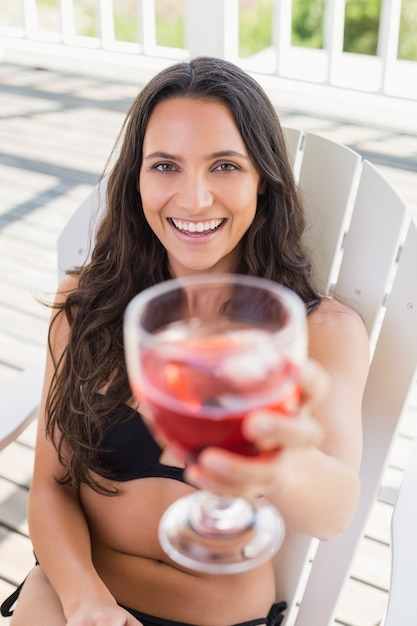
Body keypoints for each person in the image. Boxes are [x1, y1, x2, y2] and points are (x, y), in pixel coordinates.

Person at [3, 56, 369, 626]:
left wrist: (284, 463)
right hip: (81, 593)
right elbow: (50, 486)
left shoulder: (317, 331)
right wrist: (85, 602)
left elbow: (334, 511)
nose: (194, 199)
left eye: (224, 165)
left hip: (216, 616)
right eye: (166, 165)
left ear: (263, 181)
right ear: (136, 180)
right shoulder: (86, 304)